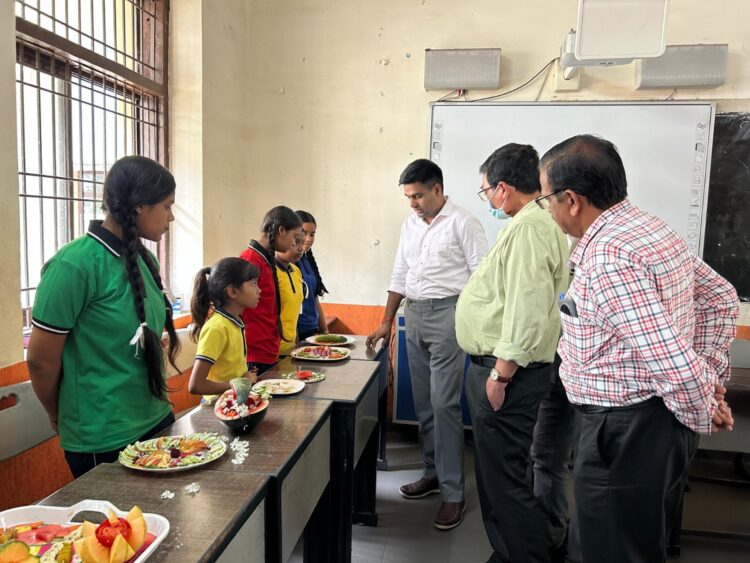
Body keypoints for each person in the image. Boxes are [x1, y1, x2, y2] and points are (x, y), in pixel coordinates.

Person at [538, 134, 739, 563]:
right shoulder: (649, 228)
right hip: (655, 423)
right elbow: (721, 297)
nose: (547, 210)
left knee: (610, 549)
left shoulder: (609, 258)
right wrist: (709, 384)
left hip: (625, 431)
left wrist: (704, 402)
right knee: (634, 541)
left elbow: (676, 365)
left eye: (546, 200)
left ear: (571, 200)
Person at [27, 156, 180, 479]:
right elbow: (40, 361)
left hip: (156, 417)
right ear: (139, 206)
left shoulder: (144, 259)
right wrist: (59, 415)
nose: (171, 217)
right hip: (105, 436)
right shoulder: (73, 265)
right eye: (167, 206)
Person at [455, 143, 568, 563]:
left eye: (486, 191)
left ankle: (523, 556)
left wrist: (501, 374)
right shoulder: (534, 223)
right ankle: (509, 552)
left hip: (508, 373)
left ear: (503, 188)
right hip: (508, 368)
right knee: (500, 474)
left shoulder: (529, 229)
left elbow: (526, 307)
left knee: (504, 479)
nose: (487, 200)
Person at [367, 158, 487, 530]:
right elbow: (400, 273)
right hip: (414, 314)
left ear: (437, 189)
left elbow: (480, 278)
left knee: (443, 404)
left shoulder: (464, 222)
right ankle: (433, 473)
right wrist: (387, 320)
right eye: (408, 197)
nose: (413, 203)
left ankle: (453, 494)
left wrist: (465, 319)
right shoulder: (410, 225)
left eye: (418, 196)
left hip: (449, 314)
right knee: (423, 404)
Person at [240, 206, 303, 374]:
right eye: (294, 237)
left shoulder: (265, 260)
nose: (294, 243)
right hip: (255, 353)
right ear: (281, 230)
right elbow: (240, 310)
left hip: (269, 350)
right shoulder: (251, 259)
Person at [188, 257, 261, 397]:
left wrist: (244, 375)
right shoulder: (217, 328)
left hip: (235, 399)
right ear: (232, 291)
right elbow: (196, 385)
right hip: (215, 404)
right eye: (253, 284)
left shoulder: (235, 321)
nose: (259, 290)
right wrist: (241, 383)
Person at [295, 210, 330, 340]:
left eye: (312, 234)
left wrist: (325, 332)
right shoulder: (289, 263)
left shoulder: (307, 260)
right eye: (304, 233)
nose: (309, 239)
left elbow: (314, 299)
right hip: (297, 333)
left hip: (313, 330)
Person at [275, 231, 305, 355]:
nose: (300, 248)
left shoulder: (296, 271)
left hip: (290, 347)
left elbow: (294, 312)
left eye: (302, 243)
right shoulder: (270, 272)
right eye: (295, 242)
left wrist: (296, 344)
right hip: (272, 349)